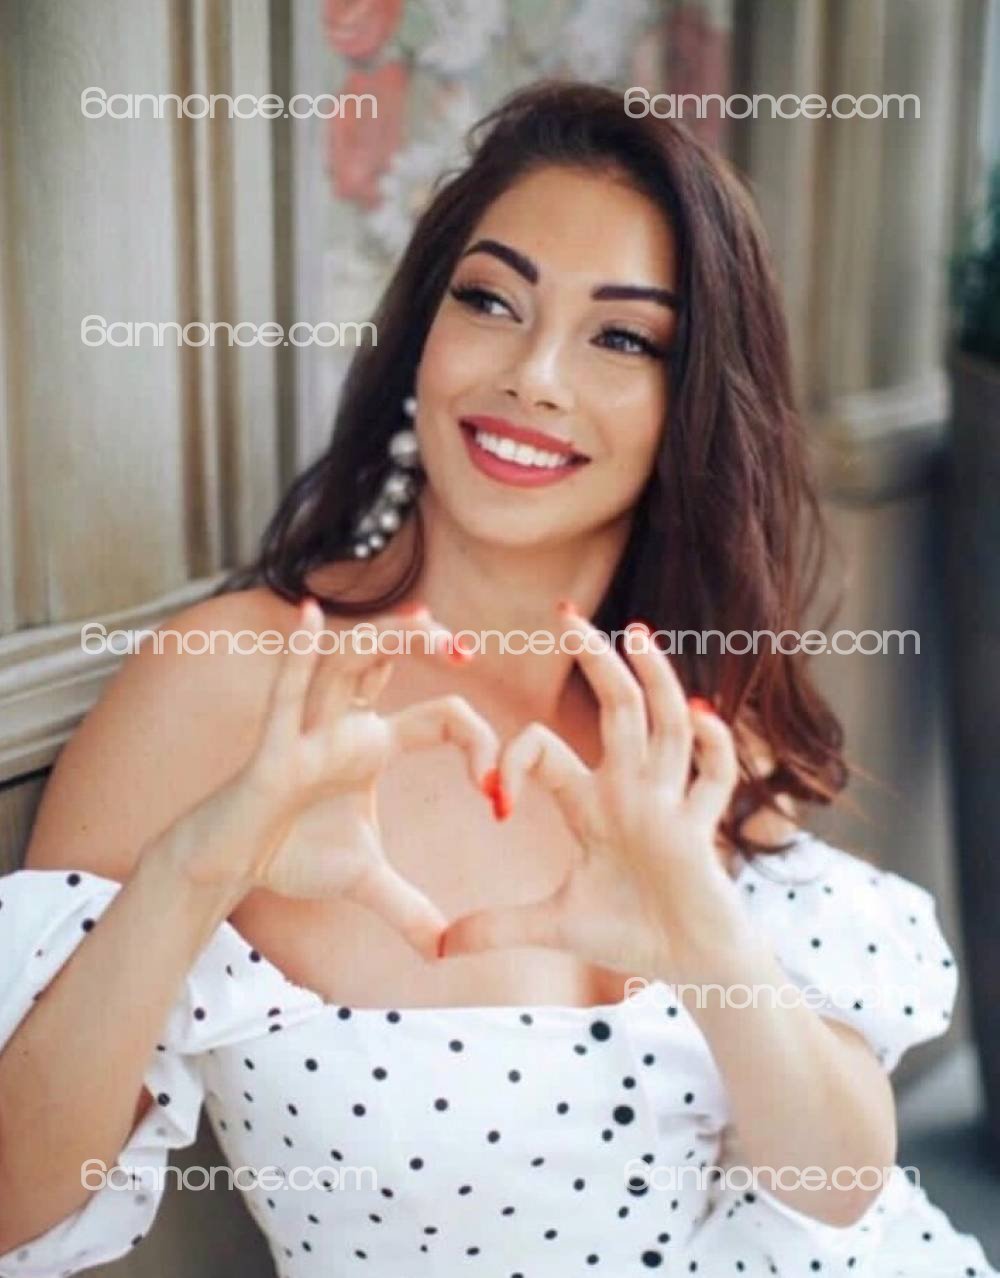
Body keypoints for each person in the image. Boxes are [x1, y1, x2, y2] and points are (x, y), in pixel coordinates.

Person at [0, 80, 995, 1278]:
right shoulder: (239, 683)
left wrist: (707, 945)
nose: (535, 375)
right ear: (424, 331)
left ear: (688, 406)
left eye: (621, 338)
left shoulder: (679, 713)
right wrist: (199, 869)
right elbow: (12, 1205)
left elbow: (841, 1193)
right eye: (490, 300)